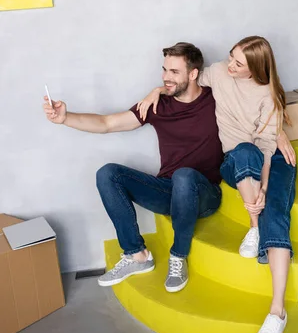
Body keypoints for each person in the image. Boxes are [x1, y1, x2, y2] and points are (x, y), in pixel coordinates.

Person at [138, 36, 297, 333]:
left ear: (256, 68)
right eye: (230, 57)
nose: (230, 65)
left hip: (269, 158)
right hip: (236, 159)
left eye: (239, 63)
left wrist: (264, 187)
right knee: (241, 153)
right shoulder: (218, 72)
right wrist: (156, 90)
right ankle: (254, 227)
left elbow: (266, 149)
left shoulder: (268, 94)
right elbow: (180, 80)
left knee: (275, 212)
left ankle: (276, 312)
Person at [43, 42, 224, 293]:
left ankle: (178, 256)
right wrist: (66, 118)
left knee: (185, 176)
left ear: (193, 74)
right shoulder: (158, 106)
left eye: (174, 72)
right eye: (164, 71)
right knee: (108, 173)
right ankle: (137, 255)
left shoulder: (216, 98)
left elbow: (250, 87)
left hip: (206, 194)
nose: (165, 77)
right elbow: (107, 123)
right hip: (170, 191)